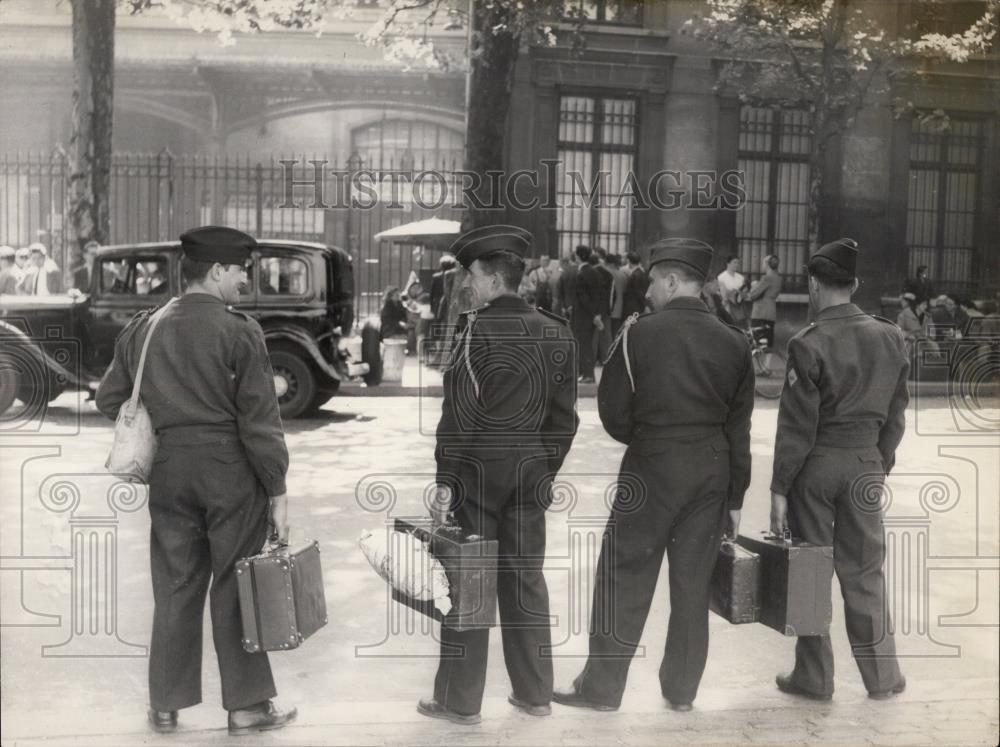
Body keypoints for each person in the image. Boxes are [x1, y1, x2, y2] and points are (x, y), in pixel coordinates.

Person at [95, 226, 297, 736]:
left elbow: (109, 398)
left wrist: (168, 412)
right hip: (230, 473)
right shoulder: (239, 330)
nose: (245, 280)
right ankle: (248, 706)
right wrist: (277, 489)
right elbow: (259, 420)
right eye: (240, 271)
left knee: (176, 584)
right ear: (216, 271)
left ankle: (166, 703)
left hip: (169, 471)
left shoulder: (146, 326)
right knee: (233, 584)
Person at [554, 237, 754, 713]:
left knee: (623, 575)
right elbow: (739, 430)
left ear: (670, 280)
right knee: (692, 586)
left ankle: (602, 689)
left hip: (650, 467)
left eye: (652, 284)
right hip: (711, 472)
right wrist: (735, 497)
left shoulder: (640, 334)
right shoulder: (735, 343)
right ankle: (681, 692)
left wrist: (650, 441)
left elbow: (613, 411)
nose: (646, 294)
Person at [420, 224, 579, 725]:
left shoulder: (476, 330)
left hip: (479, 474)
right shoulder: (556, 331)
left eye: (471, 275)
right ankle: (535, 695)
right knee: (525, 579)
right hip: (532, 471)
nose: (466, 284)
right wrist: (545, 469)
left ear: (491, 280)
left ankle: (459, 702)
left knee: (468, 580)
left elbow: (460, 415)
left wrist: (445, 478)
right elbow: (564, 418)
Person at [769, 237, 908, 703]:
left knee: (810, 571)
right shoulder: (890, 336)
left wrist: (780, 486)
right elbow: (896, 414)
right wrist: (875, 463)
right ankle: (882, 678)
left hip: (816, 468)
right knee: (866, 571)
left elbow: (796, 426)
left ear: (812, 284)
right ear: (856, 283)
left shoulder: (808, 343)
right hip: (865, 464)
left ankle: (815, 677)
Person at [573, 245, 605, 383]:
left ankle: (587, 375)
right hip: (592, 316)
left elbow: (583, 299)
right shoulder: (596, 272)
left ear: (579, 256)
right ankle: (586, 373)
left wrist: (592, 315)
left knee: (583, 346)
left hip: (583, 316)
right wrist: (597, 314)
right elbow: (599, 296)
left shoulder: (581, 274)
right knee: (588, 345)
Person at [748, 254, 783, 345]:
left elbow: (753, 295)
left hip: (760, 313)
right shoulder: (778, 278)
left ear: (767, 264)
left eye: (763, 262)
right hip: (771, 313)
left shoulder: (766, 278)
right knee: (768, 343)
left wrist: (754, 285)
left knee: (757, 343)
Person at [591, 248, 614, 362]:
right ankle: (607, 359)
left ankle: (592, 360)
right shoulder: (609, 274)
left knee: (593, 337)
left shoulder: (590, 273)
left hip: (593, 310)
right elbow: (610, 295)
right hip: (605, 309)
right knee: (606, 337)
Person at [716, 254, 746, 324]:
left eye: (738, 263)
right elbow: (722, 295)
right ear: (728, 263)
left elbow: (744, 294)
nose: (736, 265)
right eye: (734, 262)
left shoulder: (740, 278)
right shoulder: (721, 277)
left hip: (739, 308)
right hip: (727, 307)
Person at [621, 251, 649, 319]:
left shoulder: (635, 275)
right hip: (637, 306)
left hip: (633, 307)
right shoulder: (641, 273)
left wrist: (645, 305)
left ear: (629, 261)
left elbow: (638, 292)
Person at [608, 253, 628, 337]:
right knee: (616, 332)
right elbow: (625, 290)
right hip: (620, 307)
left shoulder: (608, 273)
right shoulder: (623, 275)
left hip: (610, 307)